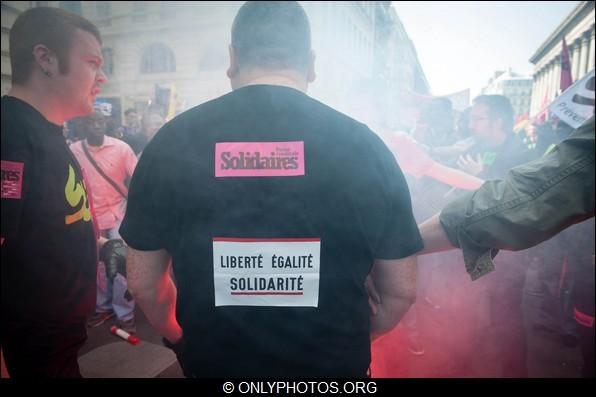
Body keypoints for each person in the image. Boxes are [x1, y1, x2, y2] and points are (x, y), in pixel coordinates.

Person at [120, 1, 421, 377]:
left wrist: (180, 336)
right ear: (311, 63)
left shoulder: (171, 144)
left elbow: (144, 284)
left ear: (232, 58)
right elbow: (401, 291)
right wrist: (352, 339)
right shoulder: (366, 148)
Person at [1, 7, 106, 377]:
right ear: (45, 58)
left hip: (59, 347)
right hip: (27, 357)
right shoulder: (10, 134)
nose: (102, 78)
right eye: (92, 62)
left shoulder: (47, 130)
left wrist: (106, 247)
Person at [70, 110, 138, 334]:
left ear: (106, 124)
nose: (96, 126)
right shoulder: (74, 150)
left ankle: (125, 314)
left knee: (121, 264)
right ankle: (103, 307)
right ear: (84, 125)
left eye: (100, 122)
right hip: (92, 217)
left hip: (119, 214)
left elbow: (137, 178)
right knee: (99, 267)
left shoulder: (121, 148)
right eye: (91, 122)